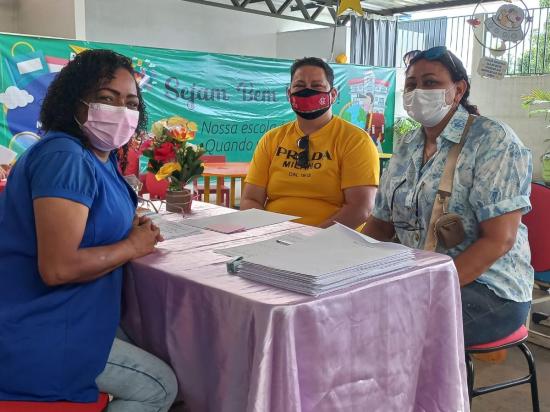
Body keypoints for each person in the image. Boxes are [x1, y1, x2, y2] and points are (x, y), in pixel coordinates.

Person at [0, 49, 178, 411]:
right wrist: (132, 246)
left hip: (74, 312)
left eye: (130, 102)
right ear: (74, 101)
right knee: (160, 387)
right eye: (106, 99)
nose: (121, 111)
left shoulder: (99, 156)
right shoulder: (65, 157)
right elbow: (58, 268)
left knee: (167, 346)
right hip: (40, 327)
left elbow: (92, 217)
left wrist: (130, 227)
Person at [362, 46, 533, 346]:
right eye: (412, 84)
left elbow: (499, 240)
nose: (418, 91)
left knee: (392, 325)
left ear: (458, 90)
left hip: (487, 289)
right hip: (414, 277)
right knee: (344, 308)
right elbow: (380, 225)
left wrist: (428, 285)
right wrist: (349, 270)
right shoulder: (406, 145)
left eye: (430, 82)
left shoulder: (493, 140)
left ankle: (436, 394)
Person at [241, 57, 379, 228]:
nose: (307, 91)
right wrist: (265, 232)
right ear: (288, 94)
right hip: (272, 237)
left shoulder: (355, 141)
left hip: (331, 241)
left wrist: (309, 239)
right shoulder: (271, 139)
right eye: (299, 86)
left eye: (317, 86)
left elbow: (360, 209)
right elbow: (251, 199)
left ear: (333, 95)